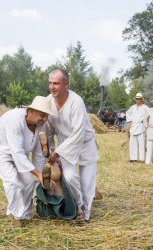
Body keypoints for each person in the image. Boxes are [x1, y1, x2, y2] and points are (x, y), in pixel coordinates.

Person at [0, 96, 54, 227]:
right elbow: (17, 152)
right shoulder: (14, 119)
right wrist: (37, 173)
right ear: (31, 111)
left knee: (28, 181)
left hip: (19, 153)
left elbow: (38, 153)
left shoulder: (40, 125)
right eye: (42, 115)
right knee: (12, 181)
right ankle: (17, 216)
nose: (45, 119)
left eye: (47, 116)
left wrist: (39, 176)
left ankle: (26, 214)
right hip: (0, 150)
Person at [45, 69, 98, 223]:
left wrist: (58, 152)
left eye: (56, 83)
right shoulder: (48, 102)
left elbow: (78, 134)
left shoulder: (76, 102)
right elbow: (48, 133)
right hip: (64, 145)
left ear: (66, 84)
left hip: (84, 143)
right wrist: (49, 151)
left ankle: (85, 216)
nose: (52, 87)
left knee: (87, 182)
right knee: (68, 177)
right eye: (50, 83)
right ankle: (78, 206)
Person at [126, 93, 149, 163]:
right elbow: (127, 113)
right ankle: (133, 158)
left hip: (141, 126)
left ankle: (142, 159)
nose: (137, 100)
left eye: (139, 99)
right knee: (132, 143)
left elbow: (150, 114)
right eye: (136, 99)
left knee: (141, 143)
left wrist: (145, 121)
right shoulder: (132, 107)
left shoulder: (145, 107)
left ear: (141, 99)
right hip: (133, 126)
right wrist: (130, 121)